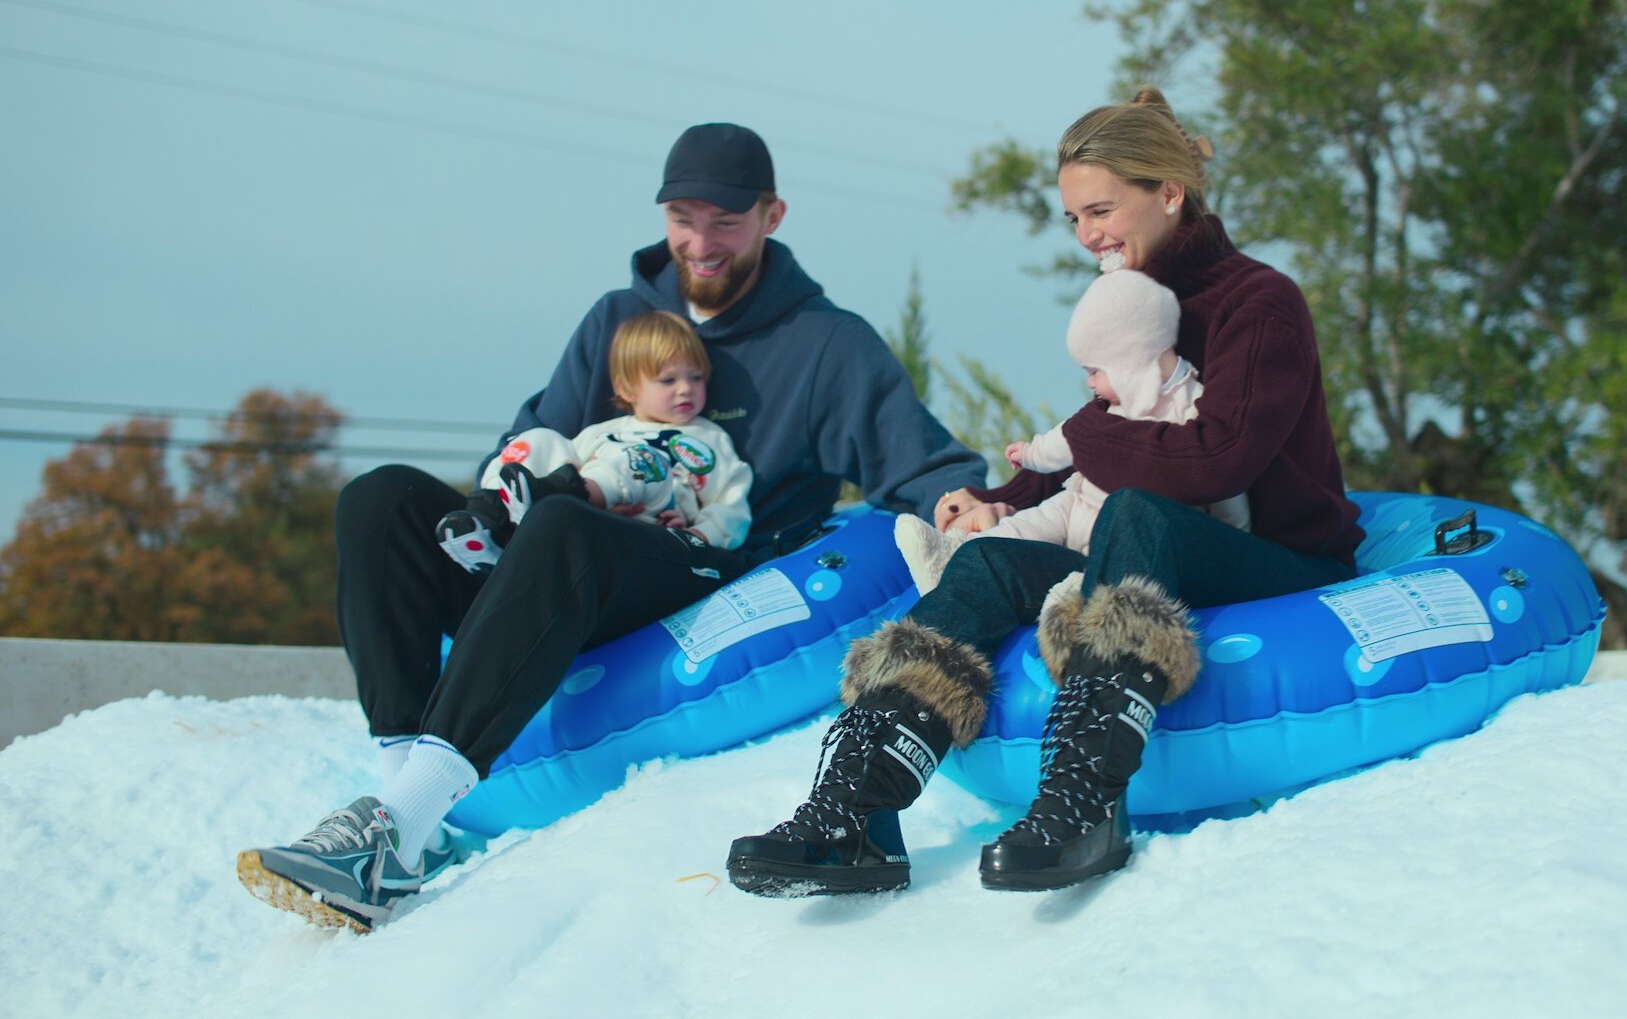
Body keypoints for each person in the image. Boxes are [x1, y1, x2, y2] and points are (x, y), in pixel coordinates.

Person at [236, 122, 988, 932]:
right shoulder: (618, 320)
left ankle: (401, 824)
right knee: (378, 498)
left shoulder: (825, 345)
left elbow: (918, 460)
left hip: (696, 564)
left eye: (726, 222)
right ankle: (397, 816)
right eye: (683, 218)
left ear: (772, 215)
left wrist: (965, 504)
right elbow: (531, 438)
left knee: (563, 524)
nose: (700, 244)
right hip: (562, 562)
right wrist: (499, 501)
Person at [727, 88, 1366, 896]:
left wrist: (1088, 439)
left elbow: (1216, 461)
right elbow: (1094, 435)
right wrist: (1000, 499)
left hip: (1279, 557)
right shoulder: (1131, 304)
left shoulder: (1257, 304)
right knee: (991, 562)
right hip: (1152, 544)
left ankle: (1084, 802)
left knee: (1139, 513)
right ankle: (854, 815)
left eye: (1101, 210)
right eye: (1073, 218)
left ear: (1169, 192)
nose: (1087, 235)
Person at [892, 268, 1247, 594]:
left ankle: (1072, 594)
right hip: (1076, 502)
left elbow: (1224, 480)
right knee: (1024, 528)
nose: (1089, 381)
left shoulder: (1191, 407)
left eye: (1095, 370)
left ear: (1132, 358)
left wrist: (1234, 536)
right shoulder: (1111, 405)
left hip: (1120, 527)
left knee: (1093, 565)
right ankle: (955, 557)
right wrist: (1032, 453)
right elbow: (1067, 438)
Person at [434, 309, 753, 574]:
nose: (685, 388)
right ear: (627, 389)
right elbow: (565, 458)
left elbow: (732, 506)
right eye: (668, 380)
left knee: (641, 459)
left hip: (653, 521)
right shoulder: (603, 432)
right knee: (537, 440)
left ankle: (559, 495)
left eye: (696, 377)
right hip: (589, 516)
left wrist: (697, 534)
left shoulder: (710, 437)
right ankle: (487, 522)